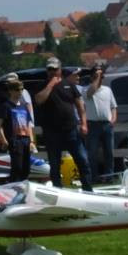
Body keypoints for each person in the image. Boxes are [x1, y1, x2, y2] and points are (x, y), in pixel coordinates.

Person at [34, 58, 92, 191]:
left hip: (71, 130)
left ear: (60, 69)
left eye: (55, 69)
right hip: (52, 132)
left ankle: (88, 189)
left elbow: (80, 105)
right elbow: (39, 100)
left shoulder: (69, 84)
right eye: (50, 69)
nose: (52, 72)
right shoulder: (42, 85)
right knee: (54, 165)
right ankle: (57, 190)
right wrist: (51, 85)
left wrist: (84, 123)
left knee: (82, 160)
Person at [0, 79, 37, 183]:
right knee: (17, 167)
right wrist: (4, 141)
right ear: (11, 91)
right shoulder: (6, 106)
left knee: (26, 168)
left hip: (26, 139)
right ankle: (13, 186)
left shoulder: (24, 106)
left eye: (21, 89)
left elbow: (28, 124)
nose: (20, 92)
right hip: (15, 140)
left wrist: (31, 141)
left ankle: (24, 188)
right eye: (17, 89)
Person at [84, 66, 117, 178]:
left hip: (107, 125)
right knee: (92, 153)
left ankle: (109, 177)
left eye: (101, 75)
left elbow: (113, 106)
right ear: (92, 76)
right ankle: (94, 177)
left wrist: (113, 119)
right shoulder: (86, 89)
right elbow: (90, 93)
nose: (100, 77)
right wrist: (96, 78)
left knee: (109, 152)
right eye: (97, 75)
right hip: (92, 125)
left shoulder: (108, 90)